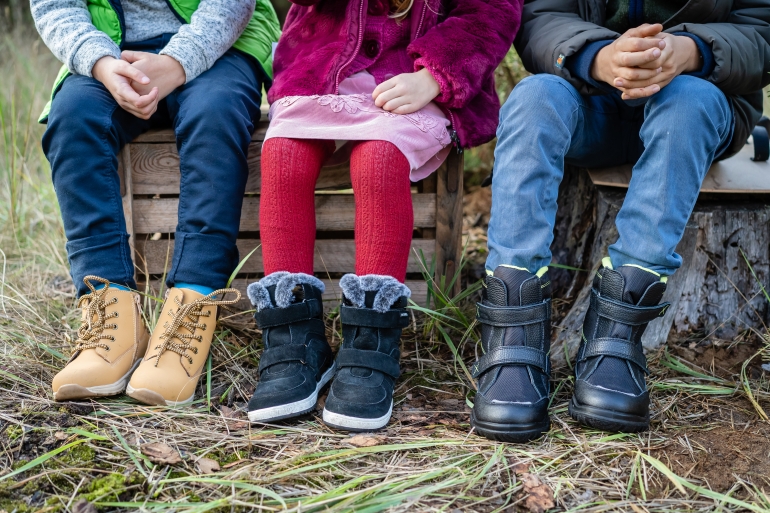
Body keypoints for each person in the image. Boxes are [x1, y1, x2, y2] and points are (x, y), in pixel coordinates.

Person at [474, 0, 770, 442]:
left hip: (701, 99)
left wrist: (691, 51)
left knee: (689, 100)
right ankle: (513, 328)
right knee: (534, 97)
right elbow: (540, 14)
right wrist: (597, 56)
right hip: (586, 98)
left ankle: (616, 330)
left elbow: (762, 28)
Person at [244, 0, 522, 430]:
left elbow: (489, 12)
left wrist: (435, 75)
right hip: (322, 73)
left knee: (379, 158)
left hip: (415, 82)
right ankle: (294, 338)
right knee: (283, 155)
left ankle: (371, 343)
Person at [34, 0, 280, 405]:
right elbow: (55, 6)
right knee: (74, 120)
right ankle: (110, 313)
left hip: (219, 43)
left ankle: (191, 306)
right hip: (111, 54)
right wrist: (99, 62)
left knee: (214, 116)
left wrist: (177, 62)